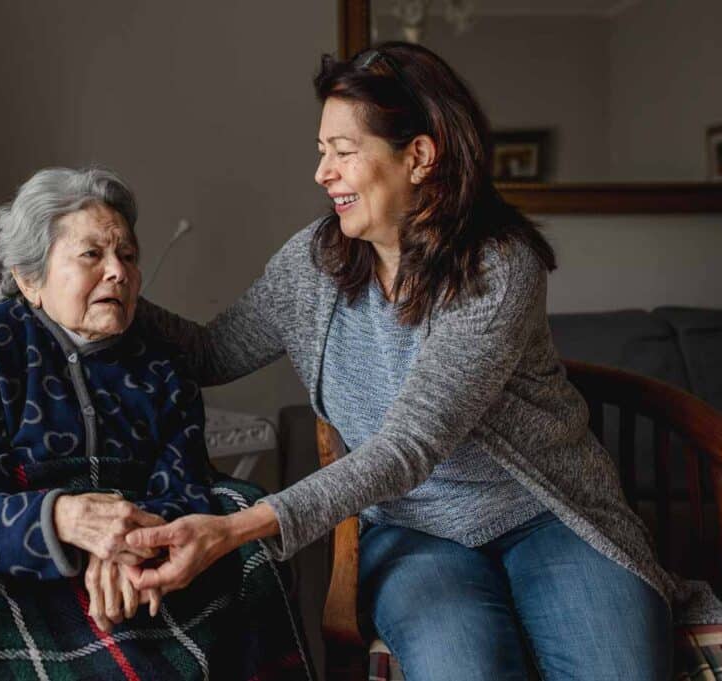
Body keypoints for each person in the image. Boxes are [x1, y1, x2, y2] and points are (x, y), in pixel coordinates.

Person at [125, 42, 691, 680]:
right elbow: (208, 353)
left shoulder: (497, 269)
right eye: (322, 152)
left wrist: (235, 529)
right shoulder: (314, 263)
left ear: (418, 156)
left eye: (343, 151)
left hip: (545, 515)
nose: (322, 173)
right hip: (414, 531)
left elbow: (408, 446)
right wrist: (103, 287)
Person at [0, 167, 312, 680]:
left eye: (127, 256)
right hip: (18, 578)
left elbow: (185, 484)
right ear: (29, 279)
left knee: (241, 527)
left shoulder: (163, 363)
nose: (118, 272)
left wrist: (127, 547)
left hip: (139, 583)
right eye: (92, 255)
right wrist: (60, 519)